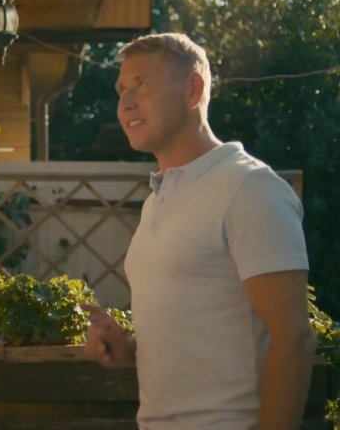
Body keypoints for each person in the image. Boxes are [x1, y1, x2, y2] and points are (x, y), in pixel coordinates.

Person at [83, 33, 315, 430]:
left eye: (141, 84)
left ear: (193, 89)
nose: (125, 102)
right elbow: (200, 342)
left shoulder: (250, 188)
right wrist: (129, 351)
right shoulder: (158, 198)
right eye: (122, 90)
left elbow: (294, 338)